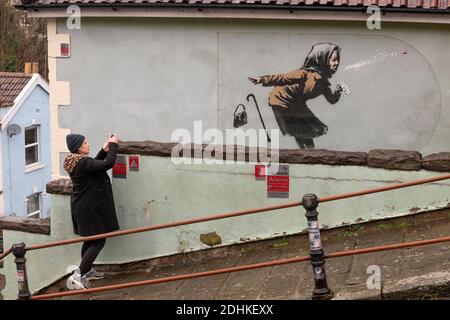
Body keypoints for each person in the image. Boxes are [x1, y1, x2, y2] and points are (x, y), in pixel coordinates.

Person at [249, 43, 343, 149]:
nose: (337, 63)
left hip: (297, 103)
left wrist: (338, 92)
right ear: (322, 58)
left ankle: (310, 154)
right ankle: (304, 154)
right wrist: (262, 79)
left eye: (338, 60)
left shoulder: (324, 82)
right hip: (282, 100)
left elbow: (331, 99)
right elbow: (283, 78)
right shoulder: (305, 73)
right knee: (298, 130)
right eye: (334, 60)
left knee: (309, 128)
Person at [63, 133, 120, 290]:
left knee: (90, 239)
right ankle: (78, 274)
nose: (88, 145)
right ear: (79, 148)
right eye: (86, 143)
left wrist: (103, 149)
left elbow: (93, 165)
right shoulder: (82, 163)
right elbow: (108, 164)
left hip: (83, 206)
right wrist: (113, 145)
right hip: (89, 208)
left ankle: (86, 270)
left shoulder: (76, 161)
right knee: (98, 240)